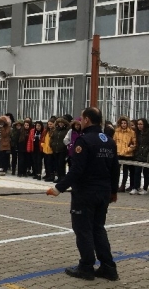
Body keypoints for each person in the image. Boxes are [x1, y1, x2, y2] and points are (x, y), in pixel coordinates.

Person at [47, 107, 120, 282]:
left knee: (83, 230)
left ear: (87, 120)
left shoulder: (83, 141)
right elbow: (115, 168)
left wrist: (58, 188)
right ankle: (108, 268)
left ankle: (86, 267)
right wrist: (114, 191)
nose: (80, 121)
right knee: (98, 228)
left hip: (86, 193)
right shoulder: (109, 141)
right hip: (103, 193)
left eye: (82, 118)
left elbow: (77, 170)